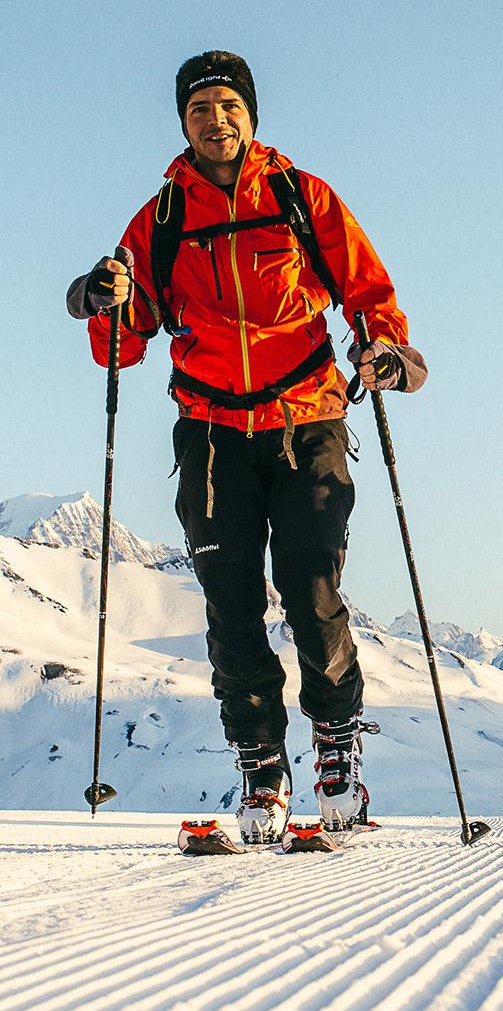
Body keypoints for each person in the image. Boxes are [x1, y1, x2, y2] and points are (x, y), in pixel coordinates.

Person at [67, 51, 427, 843]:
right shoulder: (161, 220)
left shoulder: (303, 199)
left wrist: (388, 353)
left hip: (306, 424)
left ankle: (336, 752)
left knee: (311, 591)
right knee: (231, 608)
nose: (215, 120)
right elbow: (122, 343)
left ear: (251, 116)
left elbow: (370, 296)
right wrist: (103, 299)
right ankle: (262, 768)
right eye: (199, 110)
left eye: (228, 105)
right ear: (184, 125)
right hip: (210, 434)